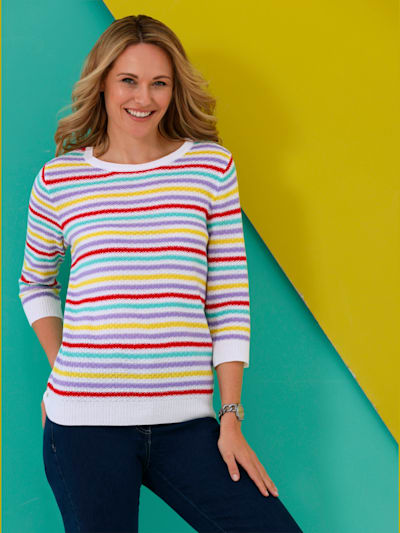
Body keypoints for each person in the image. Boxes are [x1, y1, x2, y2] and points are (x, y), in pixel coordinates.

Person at [18, 14, 303, 533]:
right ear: (103, 83)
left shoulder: (210, 169)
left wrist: (230, 416)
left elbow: (228, 298)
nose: (143, 98)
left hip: (186, 425)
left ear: (175, 90)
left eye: (159, 83)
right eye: (128, 80)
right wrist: (65, 370)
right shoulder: (60, 180)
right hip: (83, 426)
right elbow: (35, 282)